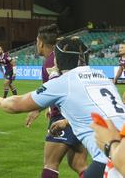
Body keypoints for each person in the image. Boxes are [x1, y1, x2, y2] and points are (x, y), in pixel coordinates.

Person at [0, 36, 125, 178]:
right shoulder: (103, 77)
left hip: (113, 157)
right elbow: (104, 112)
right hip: (120, 146)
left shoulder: (64, 82)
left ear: (57, 60)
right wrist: (66, 122)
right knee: (78, 164)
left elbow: (17, 104)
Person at [24, 24, 88, 177]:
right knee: (78, 164)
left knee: (50, 164)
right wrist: (44, 108)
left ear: (40, 42)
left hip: (64, 116)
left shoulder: (51, 62)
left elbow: (56, 89)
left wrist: (38, 108)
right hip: (81, 114)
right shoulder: (65, 56)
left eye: (36, 41)